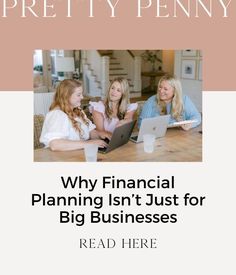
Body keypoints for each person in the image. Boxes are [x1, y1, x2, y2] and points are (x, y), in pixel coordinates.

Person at [40, 79, 109, 151]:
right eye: (78, 95)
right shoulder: (57, 114)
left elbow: (91, 132)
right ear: (66, 96)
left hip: (77, 155)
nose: (82, 97)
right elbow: (55, 145)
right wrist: (89, 144)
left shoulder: (78, 110)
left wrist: (103, 138)